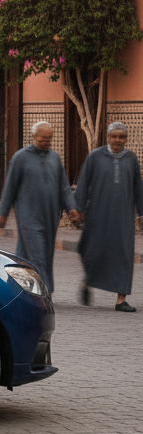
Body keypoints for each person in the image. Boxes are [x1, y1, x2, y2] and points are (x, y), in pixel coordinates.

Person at [0, 121, 80, 293]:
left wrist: (71, 209)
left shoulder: (54, 158)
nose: (45, 141)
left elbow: (64, 186)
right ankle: (44, 292)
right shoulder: (20, 158)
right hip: (28, 215)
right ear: (33, 136)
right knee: (38, 254)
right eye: (42, 137)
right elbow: (10, 186)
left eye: (49, 138)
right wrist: (2, 213)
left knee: (30, 255)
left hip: (50, 215)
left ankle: (15, 289)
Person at [74, 121, 143, 312]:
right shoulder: (94, 157)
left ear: (126, 139)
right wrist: (77, 209)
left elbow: (138, 187)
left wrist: (142, 212)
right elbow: (83, 183)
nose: (118, 140)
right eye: (114, 136)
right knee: (94, 252)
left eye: (121, 137)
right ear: (108, 137)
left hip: (123, 217)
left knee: (124, 254)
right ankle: (87, 282)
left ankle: (121, 299)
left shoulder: (132, 159)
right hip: (98, 214)